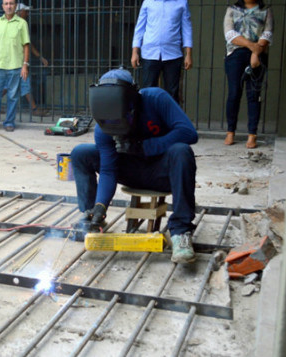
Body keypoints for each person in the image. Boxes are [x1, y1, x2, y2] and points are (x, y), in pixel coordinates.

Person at [72, 69, 199, 263]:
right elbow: (108, 169)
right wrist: (101, 205)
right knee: (81, 153)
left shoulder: (156, 98)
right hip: (130, 171)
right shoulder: (103, 126)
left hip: (163, 172)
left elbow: (189, 133)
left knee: (181, 151)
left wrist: (145, 147)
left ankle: (181, 232)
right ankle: (92, 216)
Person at [222, 0, 273, 149]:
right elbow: (229, 34)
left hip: (260, 55)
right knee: (234, 93)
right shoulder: (231, 9)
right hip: (235, 54)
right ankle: (230, 131)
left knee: (254, 94)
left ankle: (252, 134)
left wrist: (256, 54)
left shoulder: (266, 10)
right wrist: (253, 48)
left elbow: (268, 33)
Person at [131, 0, 193, 104]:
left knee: (172, 93)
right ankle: (149, 119)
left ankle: (170, 120)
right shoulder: (148, 2)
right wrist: (135, 52)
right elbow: (139, 28)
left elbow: (187, 29)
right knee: (148, 92)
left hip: (173, 54)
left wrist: (189, 55)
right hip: (150, 53)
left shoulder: (181, 3)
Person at [0, 0, 29, 132]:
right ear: (2, 6)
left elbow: (26, 45)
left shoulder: (22, 23)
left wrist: (25, 65)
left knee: (13, 96)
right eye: (6, 3)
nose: (9, 6)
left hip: (15, 66)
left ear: (15, 6)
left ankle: (9, 122)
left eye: (11, 3)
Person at [16, 3, 49, 117]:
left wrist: (39, 57)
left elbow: (28, 44)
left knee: (14, 85)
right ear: (19, 12)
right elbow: (28, 45)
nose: (28, 13)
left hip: (19, 62)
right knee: (23, 85)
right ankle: (34, 109)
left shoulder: (22, 24)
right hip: (17, 62)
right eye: (26, 11)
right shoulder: (19, 25)